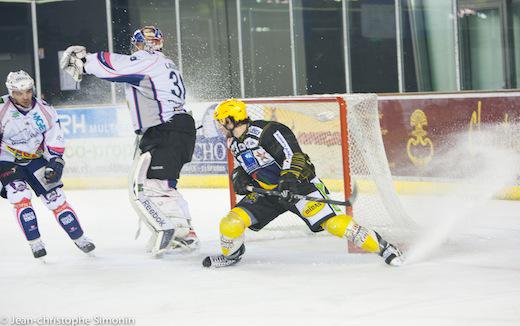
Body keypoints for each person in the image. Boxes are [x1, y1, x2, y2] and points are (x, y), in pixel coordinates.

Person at [202, 99, 403, 268]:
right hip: (269, 194)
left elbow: (294, 155)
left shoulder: (268, 131)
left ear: (233, 119)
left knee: (335, 225)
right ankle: (232, 256)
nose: (220, 125)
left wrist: (288, 183)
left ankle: (384, 248)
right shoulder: (233, 142)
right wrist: (240, 176)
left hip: (300, 186)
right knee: (230, 223)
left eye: (222, 121)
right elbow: (248, 165)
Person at [59, 26, 198, 256]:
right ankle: (185, 235)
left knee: (151, 187)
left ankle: (177, 232)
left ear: (139, 44)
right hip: (179, 128)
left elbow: (113, 66)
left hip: (166, 129)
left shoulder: (147, 60)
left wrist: (85, 60)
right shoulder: (167, 63)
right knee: (165, 185)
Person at [0, 70, 95, 259]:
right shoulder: (2, 110)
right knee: (20, 196)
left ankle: (80, 238)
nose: (25, 97)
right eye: (19, 93)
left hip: (35, 158)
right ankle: (35, 243)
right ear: (11, 92)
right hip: (7, 159)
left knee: (56, 198)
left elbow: (55, 138)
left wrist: (55, 161)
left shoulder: (45, 109)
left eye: (27, 91)